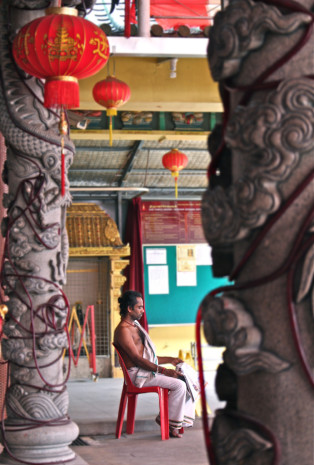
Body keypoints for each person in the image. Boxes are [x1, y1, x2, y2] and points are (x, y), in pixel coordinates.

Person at [113, 290, 195, 438]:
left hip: (145, 371)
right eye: (139, 307)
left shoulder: (135, 326)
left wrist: (171, 359)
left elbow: (148, 357)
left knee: (189, 381)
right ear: (129, 309)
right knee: (180, 385)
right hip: (137, 376)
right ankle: (170, 423)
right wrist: (164, 371)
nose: (142, 310)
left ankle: (170, 419)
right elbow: (137, 359)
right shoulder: (123, 330)